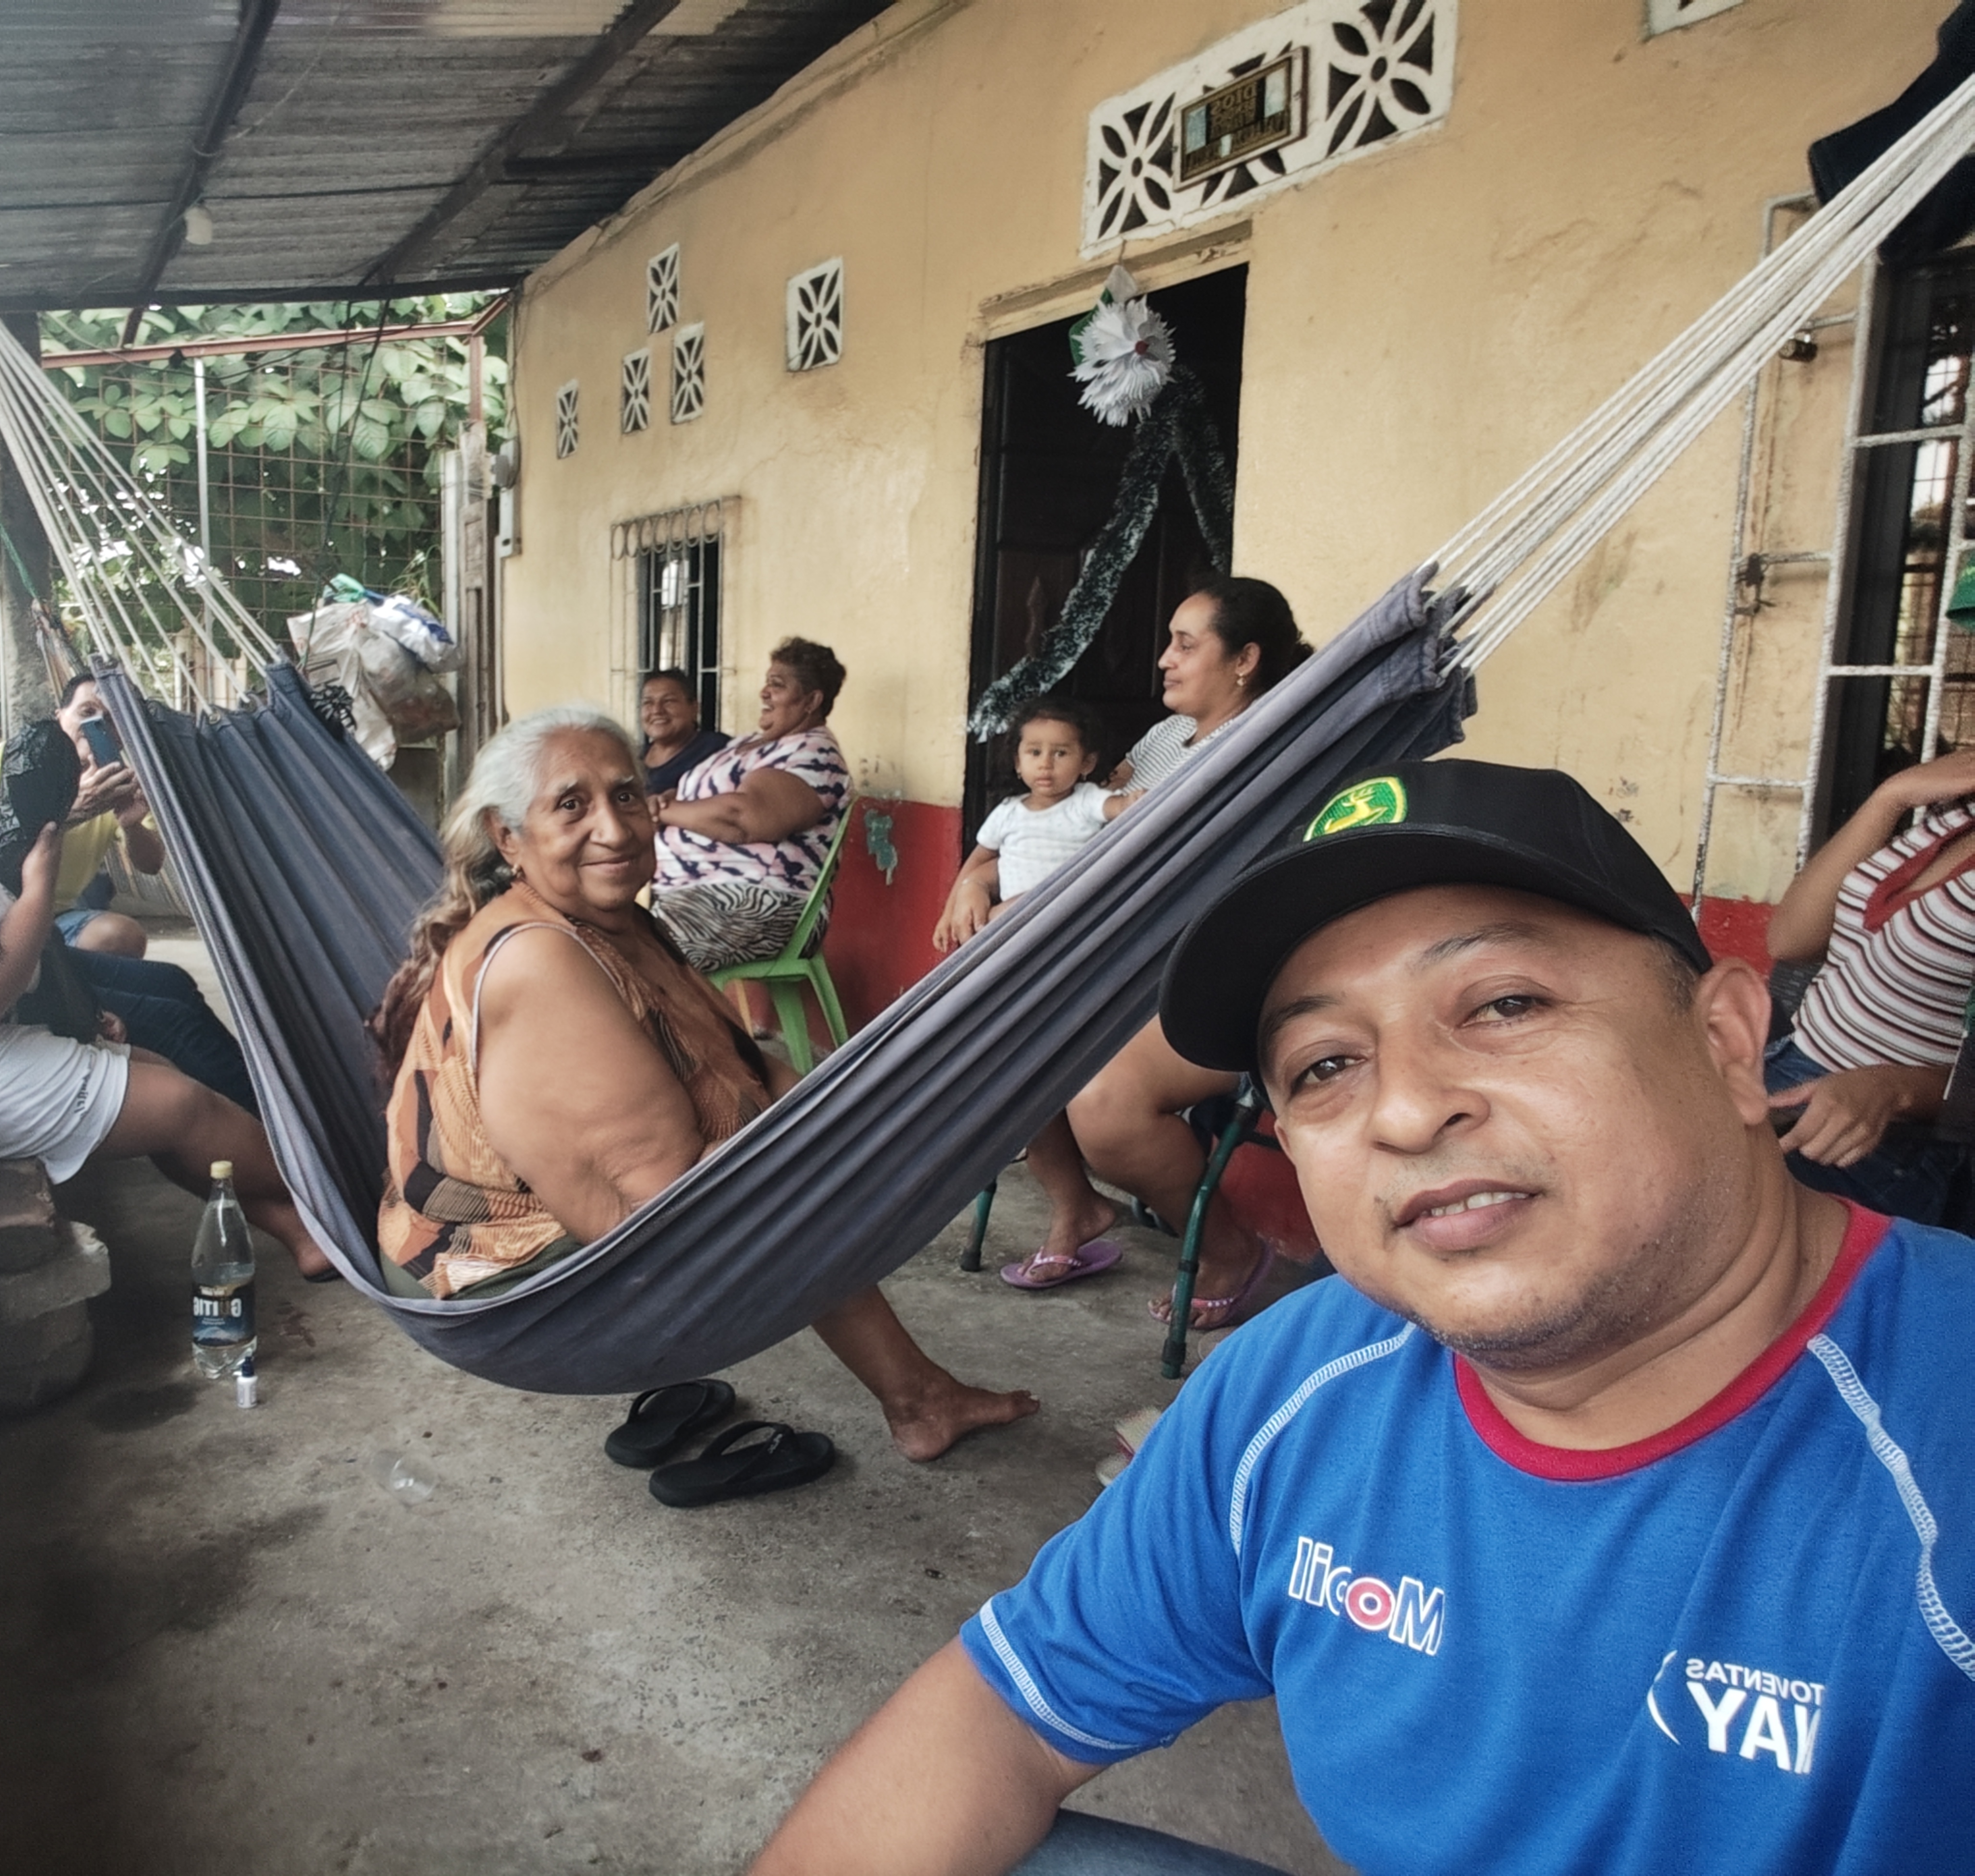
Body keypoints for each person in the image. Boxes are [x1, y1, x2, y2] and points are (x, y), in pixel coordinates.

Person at [751, 759, 1975, 1876]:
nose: (1404, 1111)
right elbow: (1004, 1716)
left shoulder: (1941, 1436)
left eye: (1502, 1004)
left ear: (1726, 1041)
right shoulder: (1301, 1383)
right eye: (1326, 1065)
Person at [371, 704, 1036, 1461]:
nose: (615, 830)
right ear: (508, 837)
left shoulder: (620, 922)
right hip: (506, 1279)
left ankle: (919, 1399)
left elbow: (742, 1062)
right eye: (572, 805)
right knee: (778, 1187)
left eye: (627, 795)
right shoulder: (540, 959)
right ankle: (917, 1398)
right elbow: (665, 1211)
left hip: (613, 1213)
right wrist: (848, 1164)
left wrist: (872, 1118)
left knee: (792, 1158)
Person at [0, 682, 323, 1276]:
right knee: (182, 1106)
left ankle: (302, 1233)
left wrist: (74, 1012)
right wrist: (39, 883)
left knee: (155, 1067)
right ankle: (332, 1199)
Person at [939, 578, 1318, 1325]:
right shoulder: (1164, 742)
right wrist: (973, 882)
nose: (1164, 659)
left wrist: (1037, 910)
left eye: (1185, 644)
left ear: (1244, 660)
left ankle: (1229, 1248)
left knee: (1105, 1104)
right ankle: (1076, 1209)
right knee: (998, 1050)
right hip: (1114, 970)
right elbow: (1063, 833)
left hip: (1208, 979)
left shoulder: (1265, 756)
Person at [932, 694, 1137, 1288]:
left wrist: (1135, 798)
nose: (1047, 764)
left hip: (1072, 956)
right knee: (1002, 1071)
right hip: (1019, 958)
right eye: (1035, 752)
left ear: (1086, 761)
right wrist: (960, 897)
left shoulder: (1088, 803)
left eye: (1062, 753)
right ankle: (1075, 1202)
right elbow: (978, 864)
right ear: (1018, 759)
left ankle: (1079, 1207)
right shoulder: (1007, 814)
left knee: (1020, 1066)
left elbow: (1126, 811)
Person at [1761, 745, 1975, 1225]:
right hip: (1785, 1066)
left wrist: (1892, 1088)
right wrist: (1890, 798)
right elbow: (1790, 938)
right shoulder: (1957, 808)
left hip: (1880, 1139)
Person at [648, 638, 852, 974]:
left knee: (634, 957)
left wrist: (662, 812)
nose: (764, 693)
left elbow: (744, 819)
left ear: (812, 701)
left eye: (778, 685)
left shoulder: (814, 753)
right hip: (689, 893)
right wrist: (669, 797)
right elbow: (697, 793)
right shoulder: (747, 743)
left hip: (762, 902)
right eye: (767, 682)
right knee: (591, 937)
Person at [30, 672, 167, 959]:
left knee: (125, 940)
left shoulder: (123, 785)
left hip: (60, 913)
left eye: (113, 719)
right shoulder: (20, 762)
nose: (98, 724)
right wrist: (76, 808)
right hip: (0, 904)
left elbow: (152, 864)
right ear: (60, 717)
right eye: (86, 712)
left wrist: (132, 827)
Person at [639, 665, 731, 795]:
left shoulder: (717, 749)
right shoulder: (634, 757)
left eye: (669, 701)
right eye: (648, 703)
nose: (657, 710)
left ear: (694, 708)